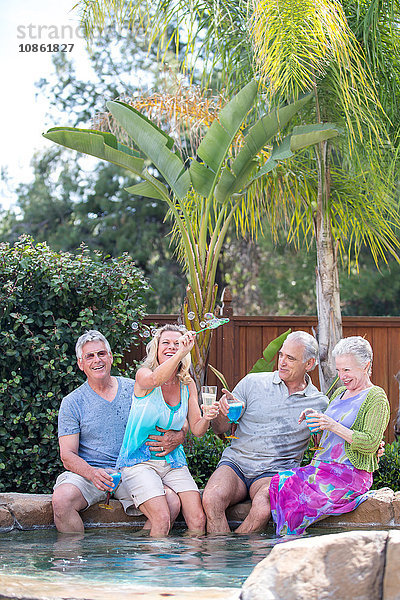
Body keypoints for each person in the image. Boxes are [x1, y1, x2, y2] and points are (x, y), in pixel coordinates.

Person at [52, 330, 186, 534]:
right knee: (62, 500)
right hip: (91, 474)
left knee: (172, 502)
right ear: (81, 364)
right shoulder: (72, 402)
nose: (97, 360)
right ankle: (77, 559)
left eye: (101, 354)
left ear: (111, 357)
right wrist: (92, 473)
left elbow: (175, 415)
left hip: (133, 469)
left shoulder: (135, 388)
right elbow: (67, 454)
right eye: (90, 356)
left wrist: (179, 435)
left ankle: (139, 552)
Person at [202, 330, 329, 534]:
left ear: (309, 364)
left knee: (262, 509)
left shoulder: (319, 403)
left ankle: (237, 554)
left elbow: (328, 444)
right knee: (211, 498)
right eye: (281, 355)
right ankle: (221, 557)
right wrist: (223, 414)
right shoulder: (253, 382)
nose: (282, 362)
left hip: (274, 471)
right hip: (236, 464)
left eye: (290, 358)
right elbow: (220, 429)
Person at [269, 336, 390, 536]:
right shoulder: (340, 392)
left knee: (298, 497)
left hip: (349, 474)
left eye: (347, 370)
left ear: (366, 365)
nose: (342, 376)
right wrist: (315, 419)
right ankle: (289, 540)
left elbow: (370, 443)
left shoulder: (376, 397)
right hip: (321, 468)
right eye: (339, 370)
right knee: (280, 482)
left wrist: (332, 425)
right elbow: (329, 433)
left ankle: (288, 543)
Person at [116, 324, 219, 537]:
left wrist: (207, 417)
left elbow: (197, 430)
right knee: (161, 519)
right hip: (139, 462)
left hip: (173, 462)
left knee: (198, 520)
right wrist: (182, 351)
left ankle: (190, 569)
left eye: (177, 343)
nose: (172, 347)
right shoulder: (144, 375)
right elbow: (157, 379)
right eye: (166, 343)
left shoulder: (187, 384)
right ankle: (155, 569)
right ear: (156, 348)